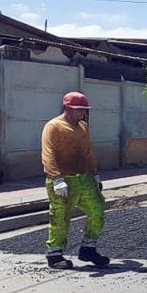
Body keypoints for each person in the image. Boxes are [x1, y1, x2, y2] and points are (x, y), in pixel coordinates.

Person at [41, 91, 110, 269]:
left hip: (83, 178)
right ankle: (54, 255)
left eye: (85, 110)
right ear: (67, 108)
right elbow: (47, 154)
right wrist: (56, 178)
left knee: (97, 208)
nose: (83, 113)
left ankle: (88, 248)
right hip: (63, 179)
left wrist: (94, 175)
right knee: (60, 216)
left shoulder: (83, 127)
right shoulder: (54, 126)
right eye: (80, 109)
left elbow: (87, 153)